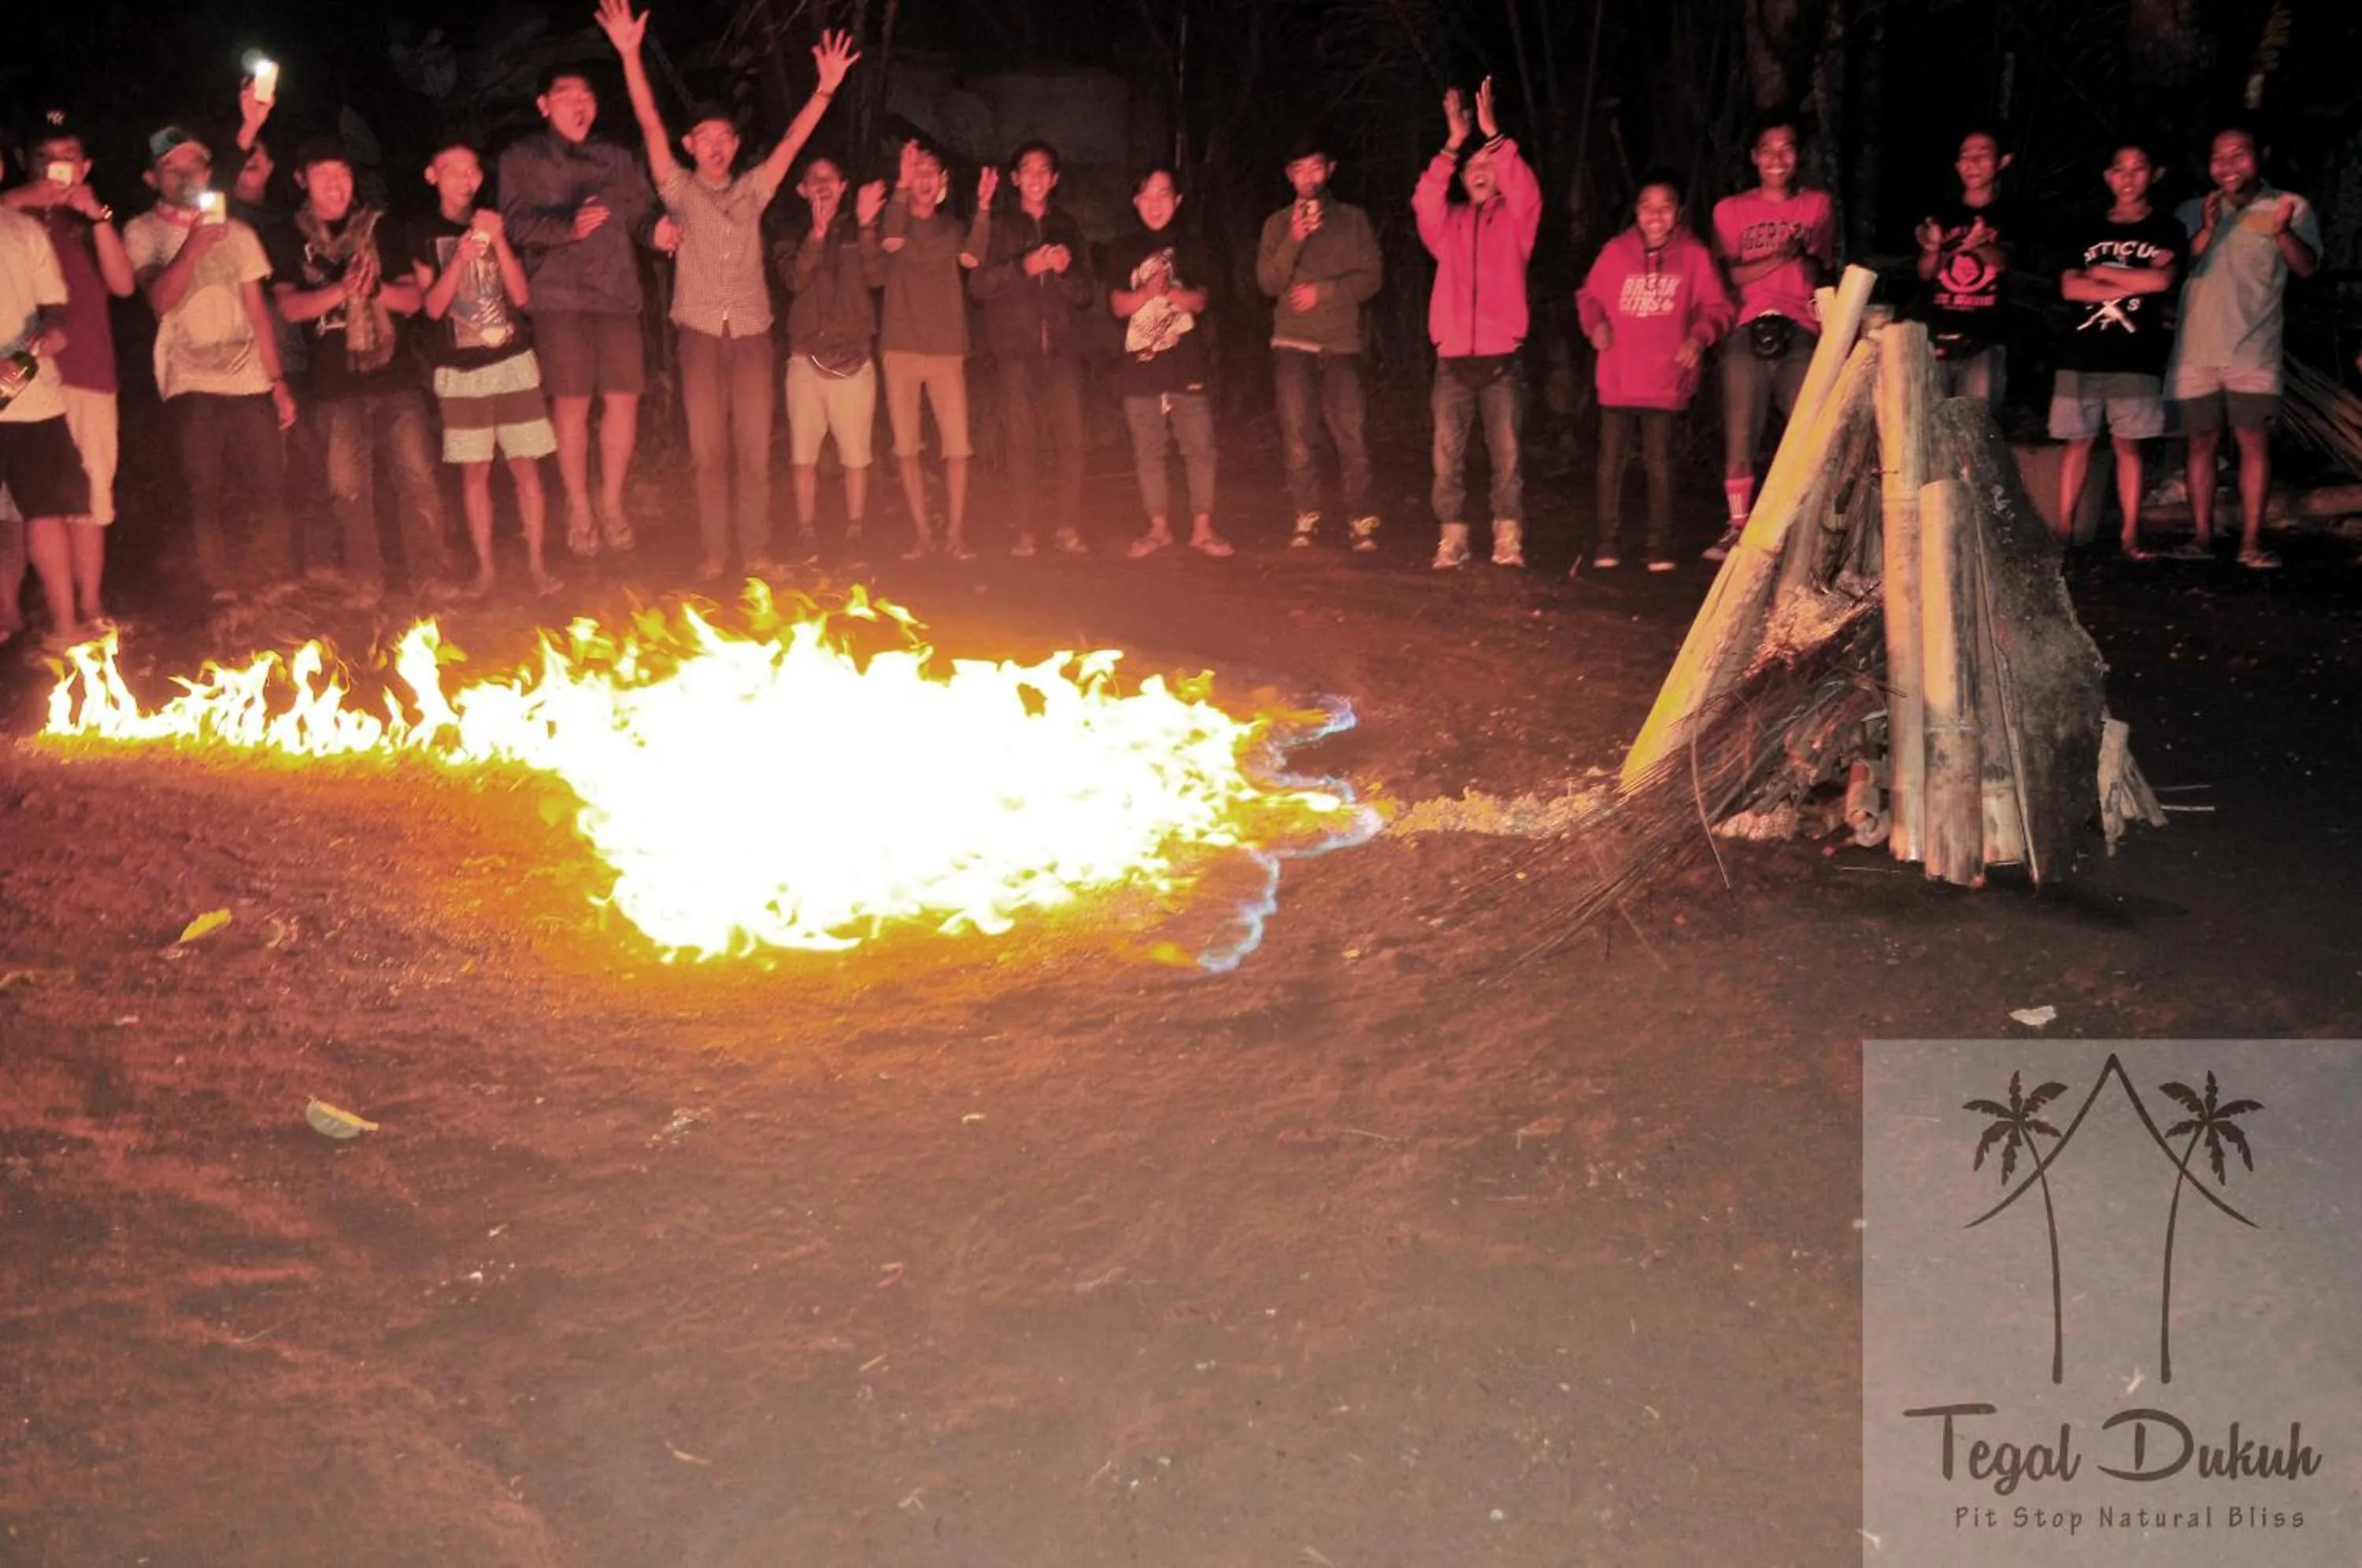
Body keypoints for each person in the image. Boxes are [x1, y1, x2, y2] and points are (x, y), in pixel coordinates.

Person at [598, 0, 857, 581]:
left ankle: (757, 550)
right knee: (708, 455)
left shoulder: (753, 191)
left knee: (753, 453)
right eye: (704, 137)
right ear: (690, 145)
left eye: (725, 138)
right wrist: (630, 54)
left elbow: (791, 144)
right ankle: (716, 554)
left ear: (735, 147)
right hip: (697, 336)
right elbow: (648, 125)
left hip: (750, 337)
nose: (715, 145)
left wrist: (825, 90)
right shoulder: (679, 189)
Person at [499, 61, 669, 558]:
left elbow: (640, 215)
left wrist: (658, 232)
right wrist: (567, 228)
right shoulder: (522, 157)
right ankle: (578, 505)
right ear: (544, 105)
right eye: (567, 96)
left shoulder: (616, 158)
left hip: (616, 296)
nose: (581, 105)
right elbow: (516, 226)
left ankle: (611, 501)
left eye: (588, 96)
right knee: (570, 405)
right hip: (559, 297)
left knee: (624, 399)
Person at [122, 125, 298, 603]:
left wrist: (277, 381)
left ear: (207, 172)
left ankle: (274, 579)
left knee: (268, 483)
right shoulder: (142, 230)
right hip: (189, 378)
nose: (184, 175)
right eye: (171, 168)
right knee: (203, 488)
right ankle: (216, 585)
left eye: (193, 166)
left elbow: (258, 311)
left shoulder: (237, 231)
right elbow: (160, 299)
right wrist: (195, 244)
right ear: (152, 177)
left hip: (248, 376)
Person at [271, 139, 452, 605]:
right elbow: (289, 307)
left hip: (395, 376)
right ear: (302, 180)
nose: (335, 185)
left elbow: (413, 300)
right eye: (322, 174)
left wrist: (371, 291)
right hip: (333, 382)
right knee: (349, 490)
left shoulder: (380, 227)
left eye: (343, 174)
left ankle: (430, 576)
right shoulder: (291, 234)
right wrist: (339, 293)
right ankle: (366, 580)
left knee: (418, 479)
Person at [406, 139, 560, 596]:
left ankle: (537, 564)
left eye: (472, 169)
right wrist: (459, 259)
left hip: (512, 362)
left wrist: (499, 241)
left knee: (525, 467)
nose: (466, 177)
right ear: (433, 176)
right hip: (460, 370)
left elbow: (523, 297)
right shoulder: (420, 230)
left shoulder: (493, 222)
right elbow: (431, 308)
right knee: (474, 472)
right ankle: (486, 569)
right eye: (453, 169)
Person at [1, 113, 135, 631]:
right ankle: (9, 614)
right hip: (24, 382)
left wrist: (97, 215)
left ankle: (89, 609)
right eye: (45, 160)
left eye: (68, 159)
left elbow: (124, 286)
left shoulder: (89, 220)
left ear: (86, 165)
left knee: (88, 498)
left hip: (89, 372)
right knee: (15, 508)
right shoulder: (17, 218)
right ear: (26, 165)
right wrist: (25, 200)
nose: (57, 169)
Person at [2167, 120, 2319, 569]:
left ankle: (2251, 542)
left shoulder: (2289, 206)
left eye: (2238, 154)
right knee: (2200, 443)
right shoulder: (2192, 209)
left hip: (2255, 349)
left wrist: (2282, 233)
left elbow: (2307, 267)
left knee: (2253, 442)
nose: (2228, 165)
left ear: (2260, 156)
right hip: (2195, 350)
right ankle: (2201, 537)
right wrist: (2209, 229)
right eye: (2219, 156)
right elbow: (2175, 266)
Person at [1412, 77, 1541, 570]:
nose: (1480, 171)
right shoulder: (1448, 227)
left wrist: (1492, 137)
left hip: (1501, 358)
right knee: (1447, 458)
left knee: (1506, 457)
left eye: (1487, 166)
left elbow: (1526, 190)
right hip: (1451, 360)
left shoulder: (1517, 222)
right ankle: (1453, 537)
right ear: (1462, 179)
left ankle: (1507, 536)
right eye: (1472, 168)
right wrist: (1451, 146)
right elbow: (1425, 201)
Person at [1576, 171, 1733, 572]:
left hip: (1665, 379)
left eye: (1665, 207)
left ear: (1678, 212)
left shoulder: (1694, 255)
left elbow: (1717, 308)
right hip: (1618, 378)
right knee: (1609, 463)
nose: (1656, 216)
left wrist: (1698, 338)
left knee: (1660, 462)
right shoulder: (1616, 251)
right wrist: (1595, 325)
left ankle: (1658, 546)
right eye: (1648, 207)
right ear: (1637, 211)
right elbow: (1589, 296)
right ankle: (1606, 542)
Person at [1708, 110, 1834, 560]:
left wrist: (1799, 259)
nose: (1777, 158)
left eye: (1787, 149)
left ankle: (1801, 527)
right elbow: (1731, 276)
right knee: (1741, 431)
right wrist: (1778, 257)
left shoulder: (1817, 206)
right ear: (1755, 156)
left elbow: (1822, 270)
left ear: (1797, 156)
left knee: (1805, 432)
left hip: (1800, 326)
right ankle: (1736, 527)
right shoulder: (1731, 210)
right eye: (1769, 149)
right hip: (1747, 325)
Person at [2050, 140, 2182, 557]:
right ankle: (2063, 532)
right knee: (2078, 442)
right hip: (2081, 354)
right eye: (2119, 169)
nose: (2128, 177)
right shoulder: (2084, 228)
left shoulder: (2166, 228)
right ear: (2108, 177)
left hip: (2135, 356)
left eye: (2138, 168)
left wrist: (2103, 272)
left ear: (2153, 174)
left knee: (2129, 444)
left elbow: (2162, 283)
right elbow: (2071, 287)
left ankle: (2129, 535)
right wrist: (2135, 277)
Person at [971, 140, 1096, 557]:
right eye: (1028, 168)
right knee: (1019, 441)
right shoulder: (1002, 226)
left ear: (1055, 178)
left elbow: (1085, 293)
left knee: (1072, 439)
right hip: (1015, 351)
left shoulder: (1068, 227)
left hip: (1062, 350)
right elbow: (979, 284)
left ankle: (1067, 526)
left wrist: (1063, 272)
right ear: (1015, 177)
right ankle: (1024, 530)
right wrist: (1024, 267)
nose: (1037, 176)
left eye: (1045, 170)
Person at [1257, 134, 1382, 549]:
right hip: (1292, 343)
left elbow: (1372, 278)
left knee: (1352, 435)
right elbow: (1268, 282)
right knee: (1297, 437)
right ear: (1289, 176)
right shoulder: (1276, 224)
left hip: (1341, 344)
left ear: (1330, 170)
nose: (1308, 177)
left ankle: (1360, 516)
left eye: (1315, 167)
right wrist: (1294, 237)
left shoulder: (1352, 220)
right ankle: (1305, 515)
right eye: (1299, 170)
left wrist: (1323, 291)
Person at [1107, 165, 1229, 558]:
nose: (1156, 203)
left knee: (1199, 447)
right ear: (1136, 201)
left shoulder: (1194, 246)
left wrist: (1174, 293)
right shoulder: (1122, 247)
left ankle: (1203, 529)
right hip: (1139, 366)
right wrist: (1145, 292)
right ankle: (1158, 528)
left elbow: (1203, 300)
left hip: (1186, 363)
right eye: (1148, 195)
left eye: (1164, 195)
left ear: (1177, 200)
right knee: (1148, 449)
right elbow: (1117, 305)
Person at [879, 140, 991, 559]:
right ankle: (922, 534)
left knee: (957, 445)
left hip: (945, 348)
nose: (925, 178)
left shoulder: (952, 229)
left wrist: (983, 207)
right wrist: (901, 186)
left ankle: (956, 534)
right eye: (918, 170)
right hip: (900, 347)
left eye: (932, 172)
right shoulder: (897, 220)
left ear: (943, 182)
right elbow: (890, 240)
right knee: (906, 445)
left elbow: (972, 259)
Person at [776, 157, 886, 562]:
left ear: (843, 187)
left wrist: (869, 225)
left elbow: (877, 277)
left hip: (855, 356)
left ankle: (856, 531)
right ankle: (806, 534)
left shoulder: (861, 228)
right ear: (802, 190)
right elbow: (794, 279)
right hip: (805, 358)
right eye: (812, 178)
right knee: (803, 455)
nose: (821, 184)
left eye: (830, 178)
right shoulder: (790, 233)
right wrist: (818, 234)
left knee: (856, 454)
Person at [0, 203, 91, 652]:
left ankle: (66, 624)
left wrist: (53, 332)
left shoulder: (23, 230)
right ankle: (6, 619)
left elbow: (55, 306)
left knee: (46, 509)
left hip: (26, 389)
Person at [1914, 125, 2020, 403]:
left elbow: (2005, 262)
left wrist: (1980, 245)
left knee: (1975, 432)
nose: (1972, 163)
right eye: (1965, 155)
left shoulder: (2012, 212)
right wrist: (1933, 248)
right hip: (1935, 339)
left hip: (1984, 341)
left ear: (2002, 162)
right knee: (1928, 428)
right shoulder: (1941, 211)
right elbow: (1925, 274)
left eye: (1982, 155)